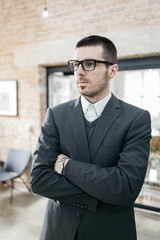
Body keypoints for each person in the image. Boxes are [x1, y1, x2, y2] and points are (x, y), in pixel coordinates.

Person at [30, 35, 151, 240]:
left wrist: (65, 165)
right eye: (76, 64)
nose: (79, 71)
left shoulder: (136, 119)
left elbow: (126, 188)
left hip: (109, 231)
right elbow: (39, 180)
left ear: (112, 70)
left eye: (89, 63)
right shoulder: (56, 115)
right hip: (59, 230)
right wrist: (103, 191)